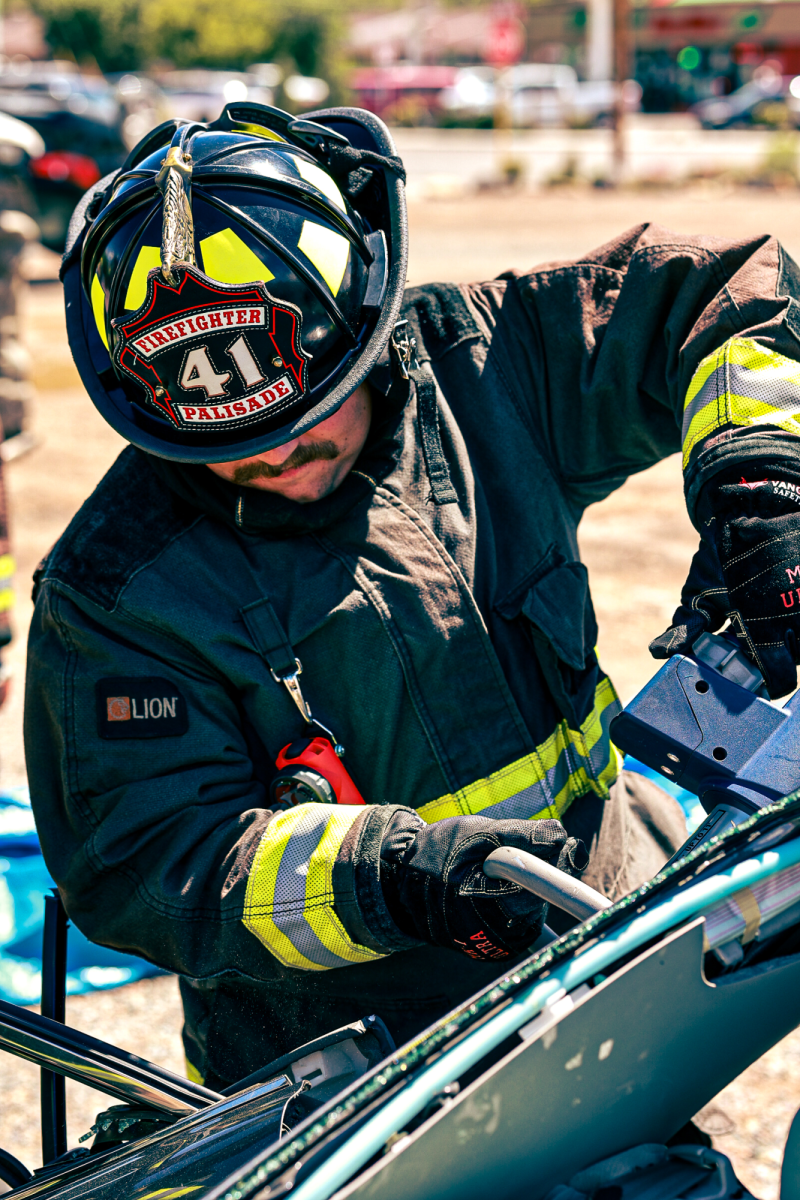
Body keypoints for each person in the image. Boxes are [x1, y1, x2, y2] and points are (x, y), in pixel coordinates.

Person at [23, 104, 800, 1091]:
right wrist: (393, 878)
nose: (274, 456)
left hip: (609, 962)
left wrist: (757, 475)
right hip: (362, 1099)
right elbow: (149, 861)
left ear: (371, 324)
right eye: (226, 446)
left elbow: (720, 291)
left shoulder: (483, 371)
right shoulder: (114, 597)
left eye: (311, 416)